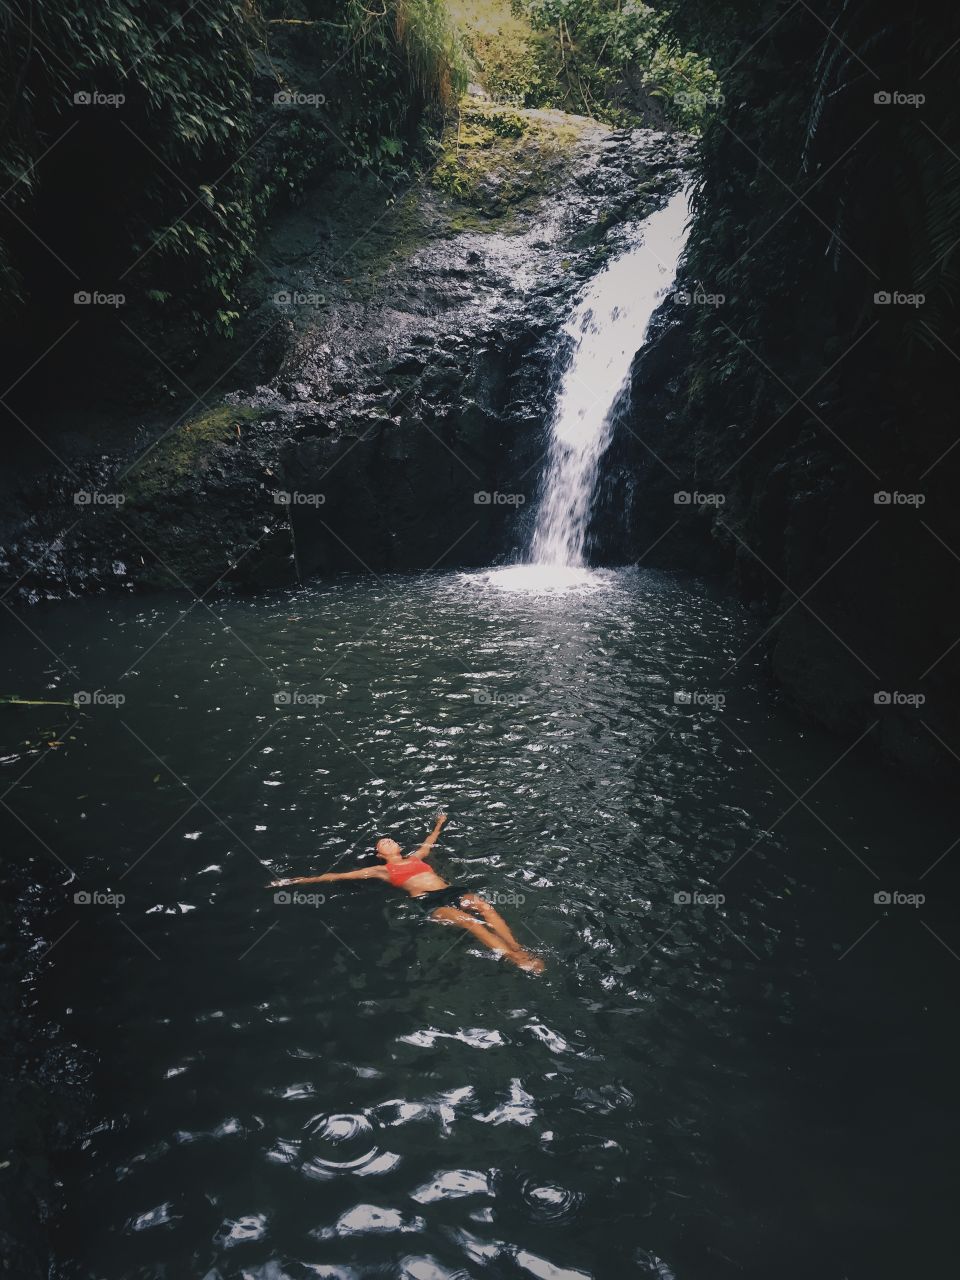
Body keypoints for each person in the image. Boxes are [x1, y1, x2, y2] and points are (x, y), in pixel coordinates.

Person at [267, 812, 544, 973]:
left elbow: (430, 841)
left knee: (484, 906)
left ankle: (517, 947)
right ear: (379, 853)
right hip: (428, 901)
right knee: (470, 922)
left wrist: (439, 823)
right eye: (382, 842)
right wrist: (294, 882)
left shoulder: (417, 856)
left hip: (450, 890)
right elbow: (334, 876)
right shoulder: (380, 871)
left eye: (391, 839)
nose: (388, 840)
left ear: (399, 847)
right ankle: (511, 957)